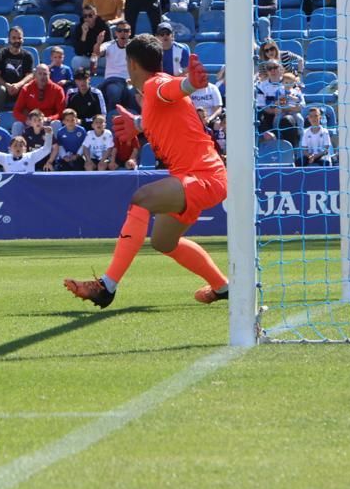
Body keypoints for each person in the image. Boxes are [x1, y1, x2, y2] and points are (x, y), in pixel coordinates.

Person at [65, 40, 229, 308]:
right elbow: (166, 106)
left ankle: (107, 286)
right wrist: (137, 125)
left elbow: (173, 89)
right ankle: (222, 287)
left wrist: (190, 84)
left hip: (203, 176)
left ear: (131, 64)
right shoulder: (153, 96)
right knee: (165, 242)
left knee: (141, 198)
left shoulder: (155, 85)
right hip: (198, 178)